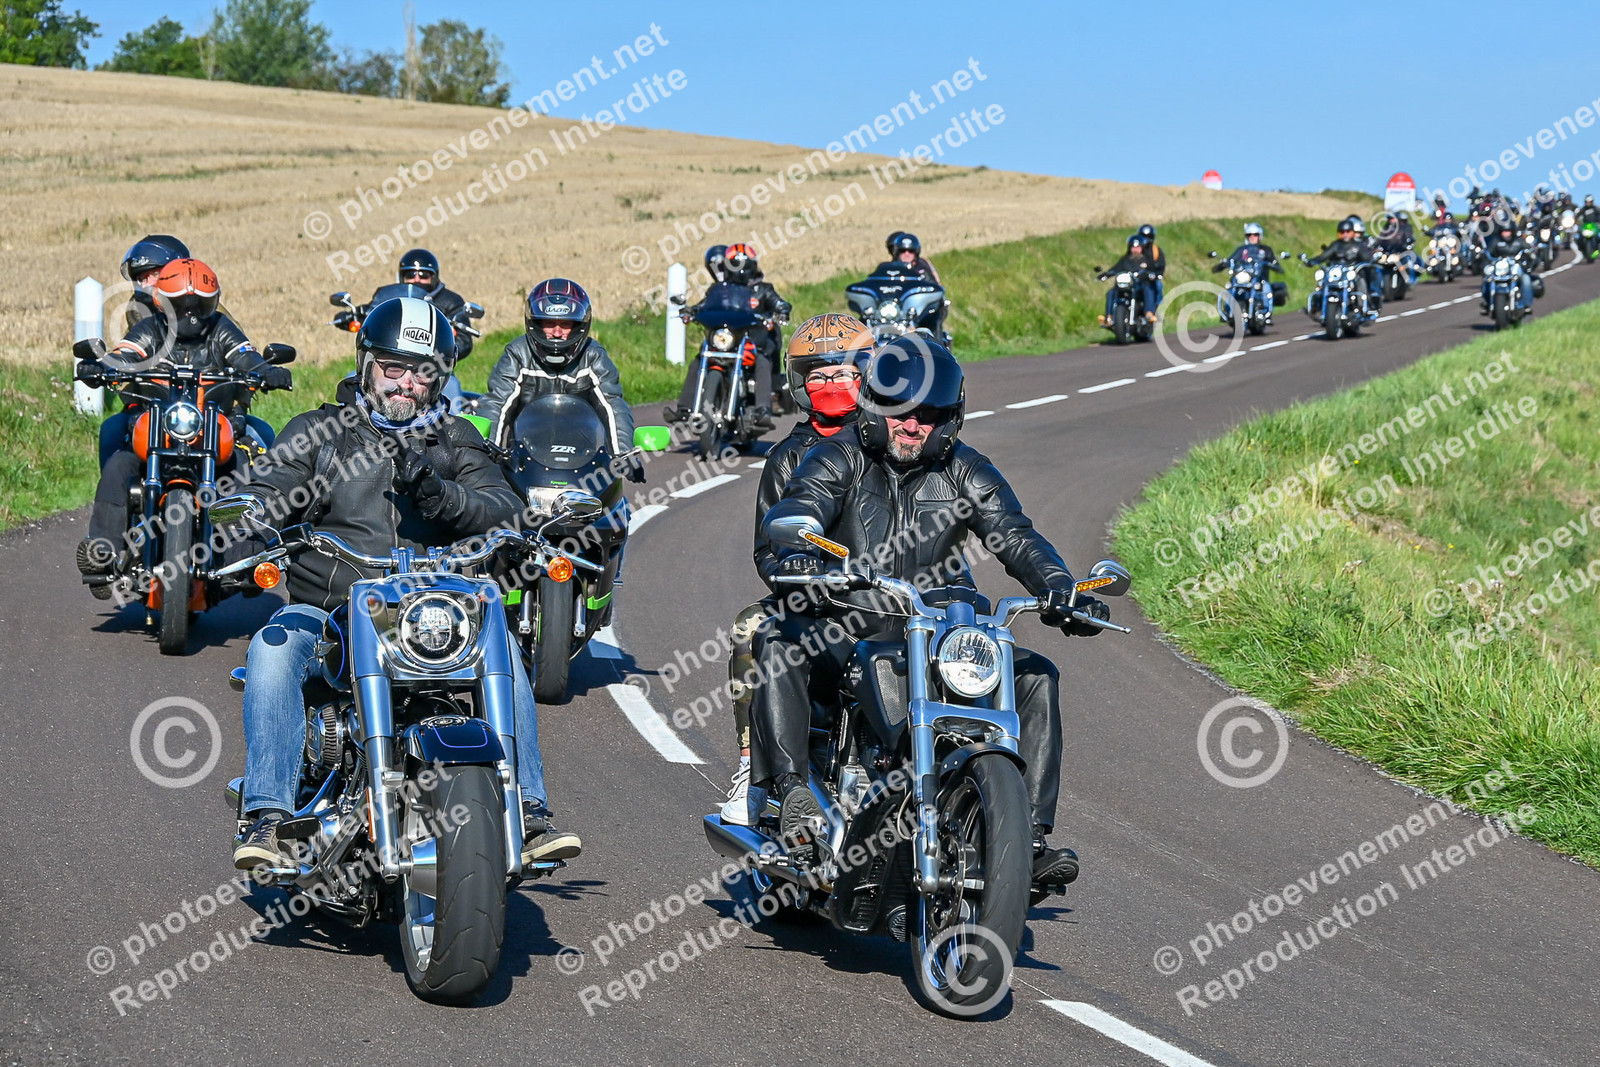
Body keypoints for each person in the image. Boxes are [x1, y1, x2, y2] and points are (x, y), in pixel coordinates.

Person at [230, 296, 580, 870]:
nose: (407, 384)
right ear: (367, 364)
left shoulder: (455, 438)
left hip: (432, 614)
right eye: (394, 367)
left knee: (503, 644)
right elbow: (271, 485)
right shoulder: (320, 432)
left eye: (423, 372)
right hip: (331, 611)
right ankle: (268, 815)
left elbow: (505, 508)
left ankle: (529, 808)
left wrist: (443, 496)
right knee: (273, 647)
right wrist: (253, 512)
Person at [749, 338, 1108, 894]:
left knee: (1035, 676)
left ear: (950, 418)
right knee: (777, 640)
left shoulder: (966, 469)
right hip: (851, 619)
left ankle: (1026, 841)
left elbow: (1014, 535)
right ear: (875, 407)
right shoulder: (839, 457)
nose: (913, 425)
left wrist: (1063, 590)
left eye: (930, 415)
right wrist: (802, 552)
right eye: (901, 412)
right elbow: (802, 505)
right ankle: (793, 793)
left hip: (942, 631)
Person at [721, 313, 873, 825]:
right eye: (818, 375)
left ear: (868, 374)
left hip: (883, 596)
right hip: (811, 599)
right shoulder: (787, 456)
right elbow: (766, 549)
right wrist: (800, 578)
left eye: (843, 372)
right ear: (799, 383)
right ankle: (753, 767)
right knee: (749, 628)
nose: (831, 384)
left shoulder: (888, 444)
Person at [75, 258, 290, 596]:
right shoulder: (151, 329)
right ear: (162, 303)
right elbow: (127, 353)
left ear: (213, 302)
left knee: (240, 467)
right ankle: (104, 552)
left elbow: (246, 355)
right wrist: (103, 366)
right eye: (181, 305)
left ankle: (244, 555)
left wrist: (266, 370)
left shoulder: (221, 329)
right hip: (159, 427)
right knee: (120, 465)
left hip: (211, 429)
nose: (190, 314)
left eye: (199, 305)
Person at [483, 278, 640, 481]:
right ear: (535, 324)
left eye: (565, 324)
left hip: (584, 462)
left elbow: (613, 405)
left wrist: (623, 455)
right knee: (492, 498)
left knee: (617, 501)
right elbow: (497, 403)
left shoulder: (593, 356)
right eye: (549, 324)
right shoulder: (518, 354)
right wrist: (486, 453)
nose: (557, 333)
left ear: (579, 326)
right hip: (523, 460)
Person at [665, 244, 791, 427]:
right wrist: (692, 311)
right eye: (734, 264)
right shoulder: (721, 290)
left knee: (762, 360)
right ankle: (684, 410)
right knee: (699, 360)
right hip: (727, 339)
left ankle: (762, 409)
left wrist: (781, 310)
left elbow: (779, 303)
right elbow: (705, 305)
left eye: (742, 264)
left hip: (752, 340)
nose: (739, 269)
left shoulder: (763, 289)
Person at [1309, 218, 1381, 312]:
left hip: (1352, 273)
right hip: (1338, 274)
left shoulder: (1358, 245)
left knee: (1360, 282)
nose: (1345, 234)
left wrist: (1373, 260)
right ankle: (1316, 304)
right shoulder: (1335, 245)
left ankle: (1362, 306)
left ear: (1352, 232)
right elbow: (1324, 256)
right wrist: (1311, 261)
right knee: (1322, 281)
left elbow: (1366, 257)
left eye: (1348, 232)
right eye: (1342, 232)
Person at [1097, 236, 1160, 325]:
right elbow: (1115, 269)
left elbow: (1154, 271)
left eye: (1138, 247)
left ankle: (1148, 312)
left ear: (1142, 248)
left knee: (1148, 289)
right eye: (1133, 247)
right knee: (1111, 292)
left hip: (1139, 285)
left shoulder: (1147, 260)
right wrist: (1106, 275)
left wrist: (1151, 275)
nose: (1135, 250)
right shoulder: (1125, 260)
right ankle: (1109, 316)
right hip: (1125, 286)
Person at [1481, 212, 1535, 313]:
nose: (1506, 233)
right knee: (1487, 279)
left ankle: (1527, 305)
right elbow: (1488, 253)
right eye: (1504, 231)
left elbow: (1529, 252)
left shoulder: (1519, 241)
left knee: (1526, 279)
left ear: (1512, 231)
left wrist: (1529, 258)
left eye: (1508, 231)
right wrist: (1484, 260)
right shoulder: (1496, 241)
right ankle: (1486, 303)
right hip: (1499, 267)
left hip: (1515, 266)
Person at [1135, 223, 1166, 305]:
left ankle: (1156, 308)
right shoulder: (1135, 249)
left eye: (1149, 236)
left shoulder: (1156, 250)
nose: (1146, 239)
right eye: (1143, 236)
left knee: (1158, 286)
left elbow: (1161, 265)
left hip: (1150, 278)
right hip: (1136, 278)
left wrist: (1156, 274)